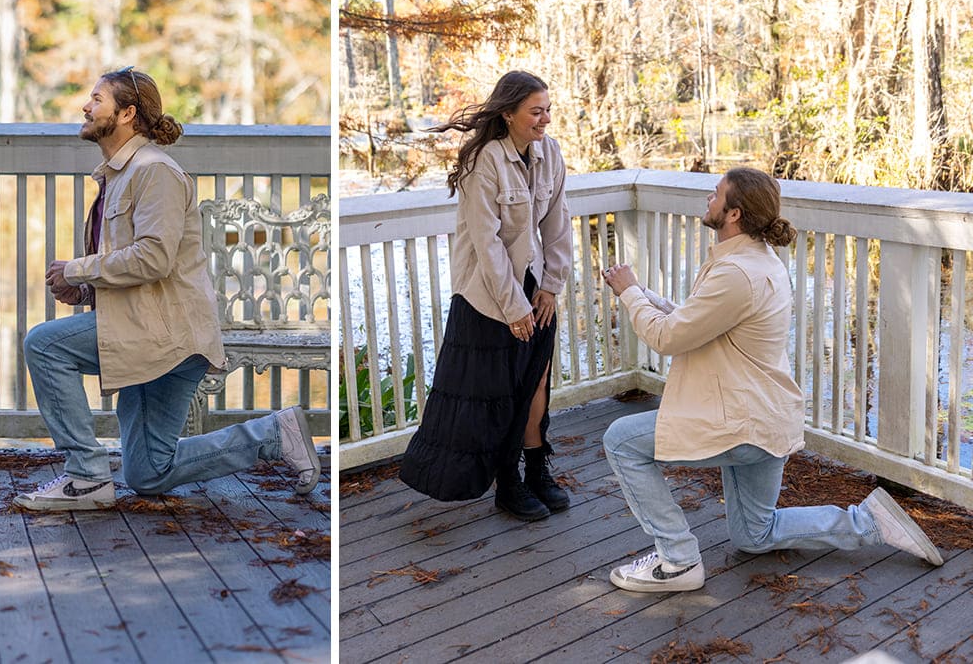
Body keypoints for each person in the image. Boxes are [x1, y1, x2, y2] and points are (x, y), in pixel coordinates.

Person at [600, 166, 943, 593]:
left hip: (742, 423)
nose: (708, 198)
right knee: (754, 534)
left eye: (716, 193)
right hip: (766, 418)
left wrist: (629, 293)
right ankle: (869, 522)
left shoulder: (736, 273)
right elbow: (695, 321)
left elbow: (666, 338)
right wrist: (645, 294)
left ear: (734, 214)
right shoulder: (756, 260)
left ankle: (678, 561)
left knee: (621, 440)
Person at [14, 67, 320, 510]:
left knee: (44, 345)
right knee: (149, 472)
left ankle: (85, 475)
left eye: (97, 99)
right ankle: (273, 434)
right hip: (143, 332)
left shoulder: (154, 171)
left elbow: (154, 257)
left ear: (127, 113)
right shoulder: (120, 174)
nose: (85, 106)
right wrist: (85, 291)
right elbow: (142, 266)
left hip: (165, 334)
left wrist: (77, 270)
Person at [399, 70, 574, 521]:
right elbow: (486, 242)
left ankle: (536, 470)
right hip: (486, 295)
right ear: (508, 113)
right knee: (497, 395)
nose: (545, 119)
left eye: (548, 110)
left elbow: (558, 224)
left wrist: (551, 287)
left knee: (536, 382)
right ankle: (507, 483)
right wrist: (513, 307)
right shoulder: (485, 161)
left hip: (536, 287)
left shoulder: (550, 153)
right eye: (536, 112)